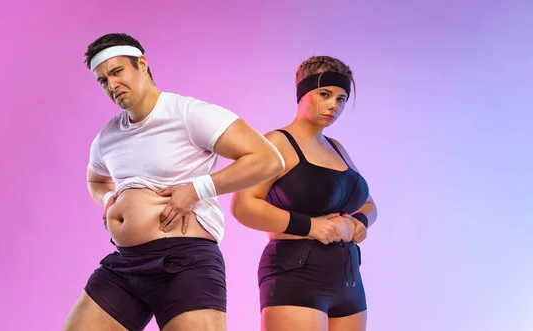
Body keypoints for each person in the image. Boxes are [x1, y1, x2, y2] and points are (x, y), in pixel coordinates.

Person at [63, 33, 285, 331]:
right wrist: (108, 199)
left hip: (185, 260)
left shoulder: (188, 114)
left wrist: (197, 189)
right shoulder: (108, 137)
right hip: (125, 264)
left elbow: (268, 160)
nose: (112, 85)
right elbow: (96, 180)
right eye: (103, 81)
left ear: (141, 64)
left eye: (117, 72)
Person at [231, 56, 378, 331]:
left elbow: (369, 203)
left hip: (348, 278)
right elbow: (243, 206)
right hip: (296, 273)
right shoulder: (277, 143)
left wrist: (359, 223)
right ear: (303, 93)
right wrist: (311, 227)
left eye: (341, 99)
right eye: (325, 94)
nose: (334, 105)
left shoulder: (337, 147)